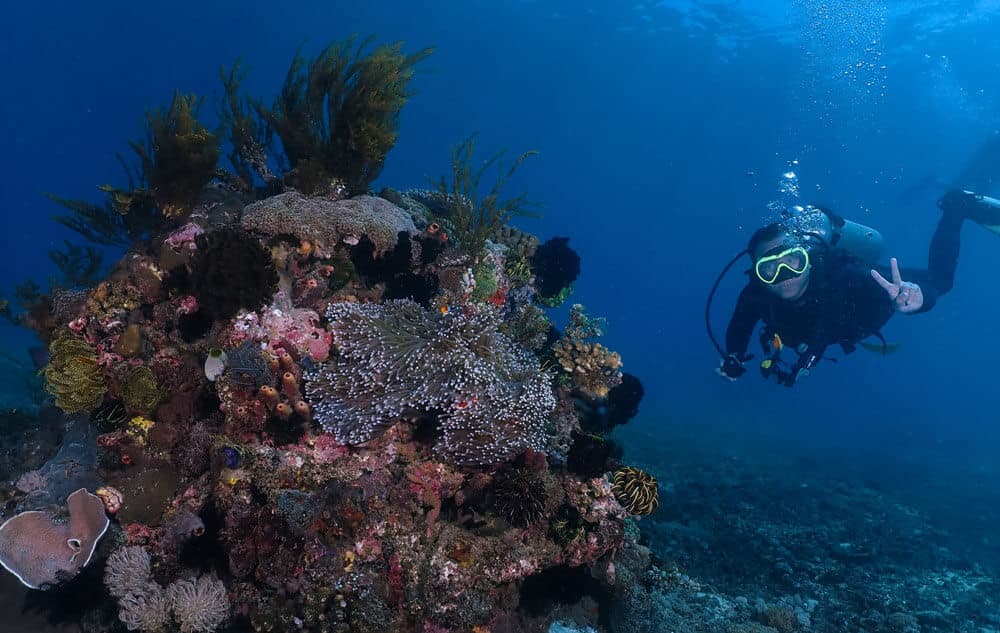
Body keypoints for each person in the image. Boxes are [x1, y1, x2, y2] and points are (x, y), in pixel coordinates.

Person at [716, 189, 1000, 386]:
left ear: (808, 259)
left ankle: (956, 208)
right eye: (769, 267)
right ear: (756, 273)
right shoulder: (755, 295)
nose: (784, 274)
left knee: (940, 282)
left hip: (871, 304)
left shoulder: (847, 274)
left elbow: (927, 292)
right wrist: (734, 357)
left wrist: (919, 299)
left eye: (792, 260)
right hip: (837, 331)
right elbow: (739, 327)